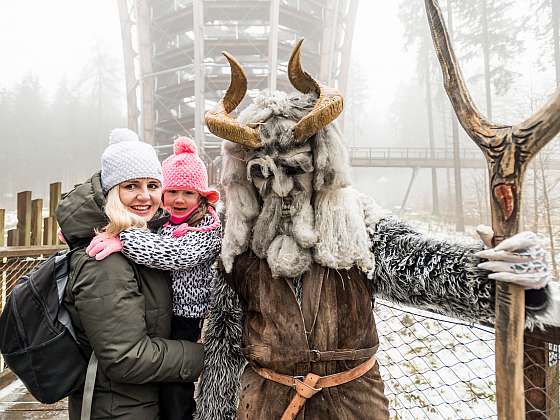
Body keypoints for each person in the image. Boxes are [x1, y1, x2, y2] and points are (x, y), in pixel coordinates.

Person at [193, 42, 557, 420]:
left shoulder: (355, 224)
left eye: (295, 170)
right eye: (265, 173)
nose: (281, 189)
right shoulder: (237, 241)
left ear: (320, 166)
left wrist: (503, 281)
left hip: (353, 405)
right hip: (266, 404)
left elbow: (419, 266)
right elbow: (224, 342)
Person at [56, 128, 204, 419]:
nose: (145, 197)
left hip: (147, 402)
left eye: (152, 185)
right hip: (118, 409)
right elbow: (125, 357)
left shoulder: (140, 240)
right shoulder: (103, 260)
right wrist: (208, 356)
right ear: (113, 191)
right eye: (131, 186)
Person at [87, 136, 222, 420]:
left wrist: (124, 241)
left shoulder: (207, 230)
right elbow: (129, 220)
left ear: (202, 196)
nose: (179, 199)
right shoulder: (162, 220)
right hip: (162, 312)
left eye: (188, 193)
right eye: (172, 191)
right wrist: (84, 232)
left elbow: (173, 254)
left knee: (175, 385)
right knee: (164, 377)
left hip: (188, 315)